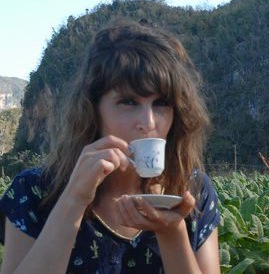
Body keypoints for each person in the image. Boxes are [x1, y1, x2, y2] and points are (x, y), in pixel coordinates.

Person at [0, 19, 221, 273]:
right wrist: (73, 199)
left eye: (161, 103)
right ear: (93, 111)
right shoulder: (35, 192)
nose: (148, 122)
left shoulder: (193, 191)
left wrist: (172, 233)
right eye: (128, 102)